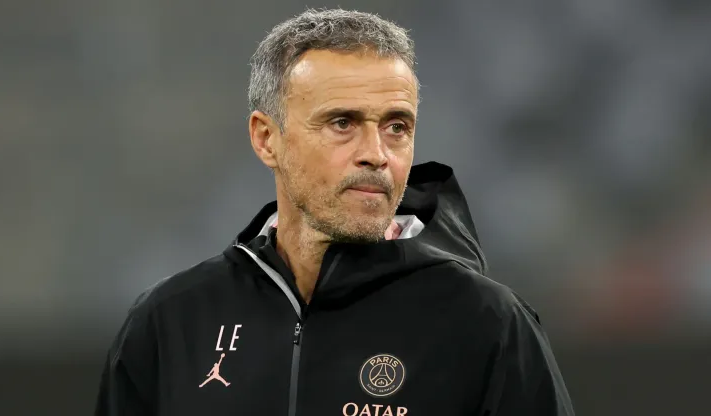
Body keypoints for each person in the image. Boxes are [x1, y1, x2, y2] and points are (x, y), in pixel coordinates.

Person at [95, 8, 574, 416]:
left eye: (396, 127)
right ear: (266, 138)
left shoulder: (487, 324)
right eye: (342, 123)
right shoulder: (170, 322)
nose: (376, 153)